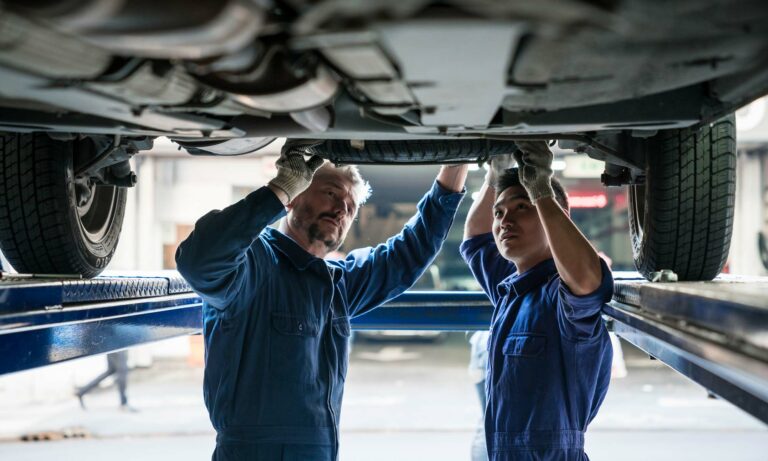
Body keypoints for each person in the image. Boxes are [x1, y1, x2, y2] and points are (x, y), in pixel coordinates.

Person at [175, 141, 467, 461]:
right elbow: (197, 261)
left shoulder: (336, 283)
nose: (342, 209)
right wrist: (279, 188)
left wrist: (459, 158)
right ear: (296, 195)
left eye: (351, 207)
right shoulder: (251, 265)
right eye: (331, 193)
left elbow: (412, 251)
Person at [460, 141, 613, 461]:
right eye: (499, 213)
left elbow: (587, 280)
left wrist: (541, 189)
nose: (505, 220)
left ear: (556, 213)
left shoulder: (561, 301)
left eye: (522, 207)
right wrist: (494, 176)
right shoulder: (511, 291)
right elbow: (476, 239)